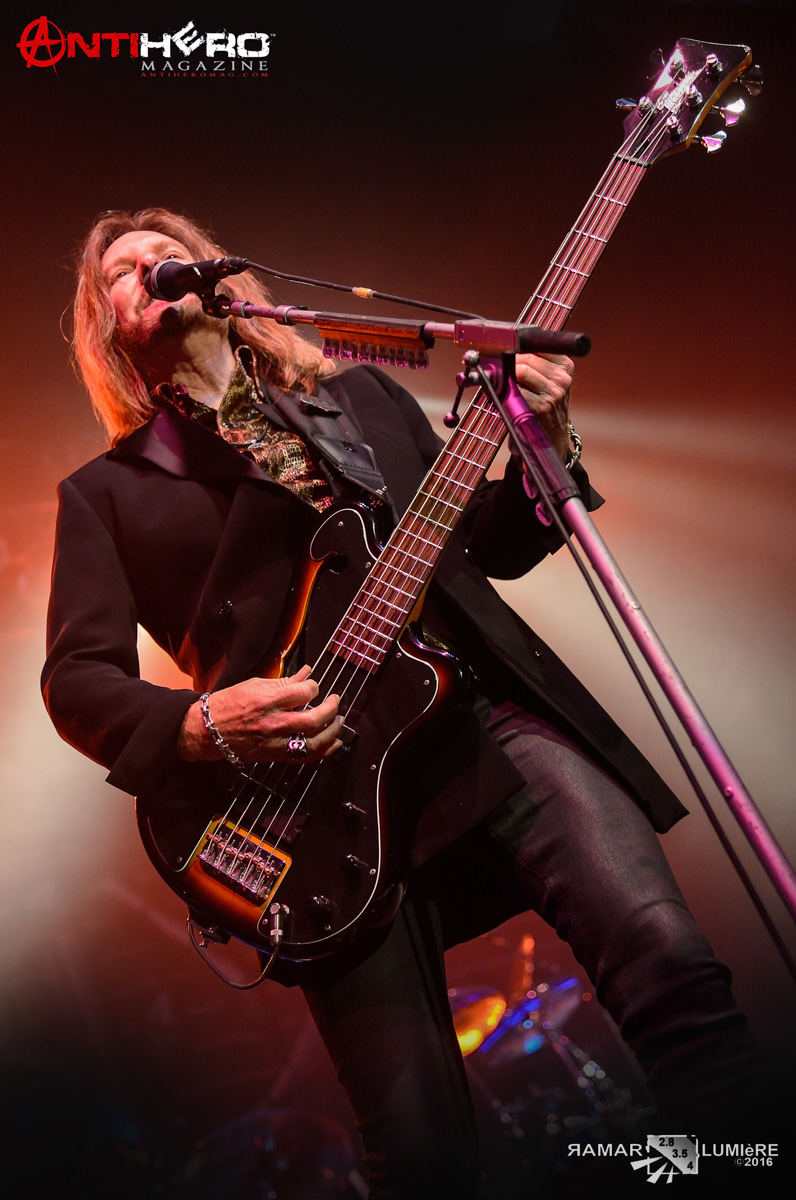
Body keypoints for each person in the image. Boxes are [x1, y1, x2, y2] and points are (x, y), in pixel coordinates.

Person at [42, 207, 769, 1199]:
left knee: (667, 958)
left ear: (223, 281)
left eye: (168, 256)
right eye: (124, 273)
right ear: (110, 328)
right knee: (420, 1147)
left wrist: (548, 436)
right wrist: (203, 723)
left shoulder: (360, 396)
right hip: (310, 802)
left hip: (474, 721)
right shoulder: (109, 491)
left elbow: (486, 549)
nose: (151, 272)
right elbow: (76, 680)